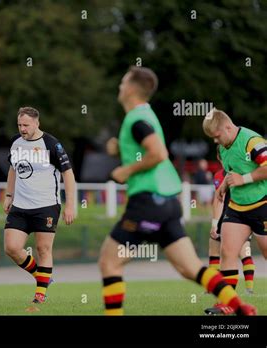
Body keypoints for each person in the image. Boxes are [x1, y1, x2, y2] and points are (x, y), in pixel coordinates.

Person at [100, 66, 256, 316]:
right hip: (168, 202)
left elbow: (158, 153)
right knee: (191, 268)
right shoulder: (146, 115)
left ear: (130, 88)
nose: (119, 87)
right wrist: (120, 148)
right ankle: (241, 308)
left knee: (109, 261)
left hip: (148, 201)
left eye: (122, 82)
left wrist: (125, 171)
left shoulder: (137, 119)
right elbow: (149, 147)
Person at [3, 106, 76, 304]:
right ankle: (42, 276)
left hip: (46, 205)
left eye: (26, 125)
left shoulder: (51, 144)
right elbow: (12, 169)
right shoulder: (15, 143)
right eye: (19, 125)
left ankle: (39, 297)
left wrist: (70, 205)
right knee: (11, 248)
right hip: (20, 205)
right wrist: (9, 195)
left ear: (37, 123)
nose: (22, 129)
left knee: (43, 249)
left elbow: (68, 174)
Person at [202, 108, 266, 314]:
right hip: (237, 208)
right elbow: (231, 172)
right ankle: (227, 303)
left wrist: (244, 179)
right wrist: (224, 186)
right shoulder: (223, 147)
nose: (215, 141)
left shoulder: (252, 141)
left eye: (217, 136)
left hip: (262, 205)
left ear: (228, 127)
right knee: (227, 252)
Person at [208, 146, 255, 295]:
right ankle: (216, 289)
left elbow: (218, 200)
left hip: (240, 218)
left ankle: (249, 289)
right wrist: (216, 223)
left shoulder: (238, 172)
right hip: (228, 218)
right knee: (216, 251)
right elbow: (218, 200)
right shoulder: (220, 175)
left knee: (244, 252)